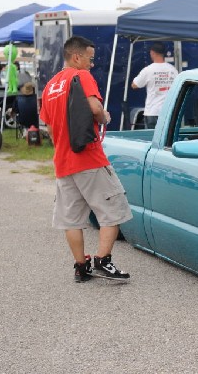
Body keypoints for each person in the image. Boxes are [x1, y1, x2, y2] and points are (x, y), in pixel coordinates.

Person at [39, 36, 133, 282]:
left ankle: (81, 267)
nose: (92, 64)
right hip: (89, 159)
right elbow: (94, 108)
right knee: (114, 209)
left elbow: (49, 129)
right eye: (90, 59)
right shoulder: (81, 77)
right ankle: (103, 261)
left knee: (72, 219)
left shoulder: (50, 86)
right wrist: (105, 118)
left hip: (63, 162)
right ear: (77, 57)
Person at [131, 42, 178, 129]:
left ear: (152, 53)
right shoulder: (173, 70)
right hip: (169, 111)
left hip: (153, 111)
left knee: (152, 138)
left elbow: (135, 85)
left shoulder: (148, 70)